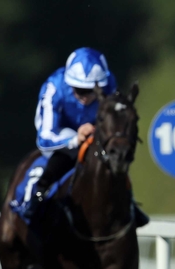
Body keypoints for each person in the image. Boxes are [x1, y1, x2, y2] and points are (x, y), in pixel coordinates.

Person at [25, 47, 149, 226]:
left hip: (93, 130)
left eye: (90, 91)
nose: (84, 96)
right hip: (61, 134)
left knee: (114, 153)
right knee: (73, 149)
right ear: (69, 83)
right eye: (79, 90)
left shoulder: (109, 83)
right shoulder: (53, 87)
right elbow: (44, 137)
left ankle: (128, 199)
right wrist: (75, 139)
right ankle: (39, 191)